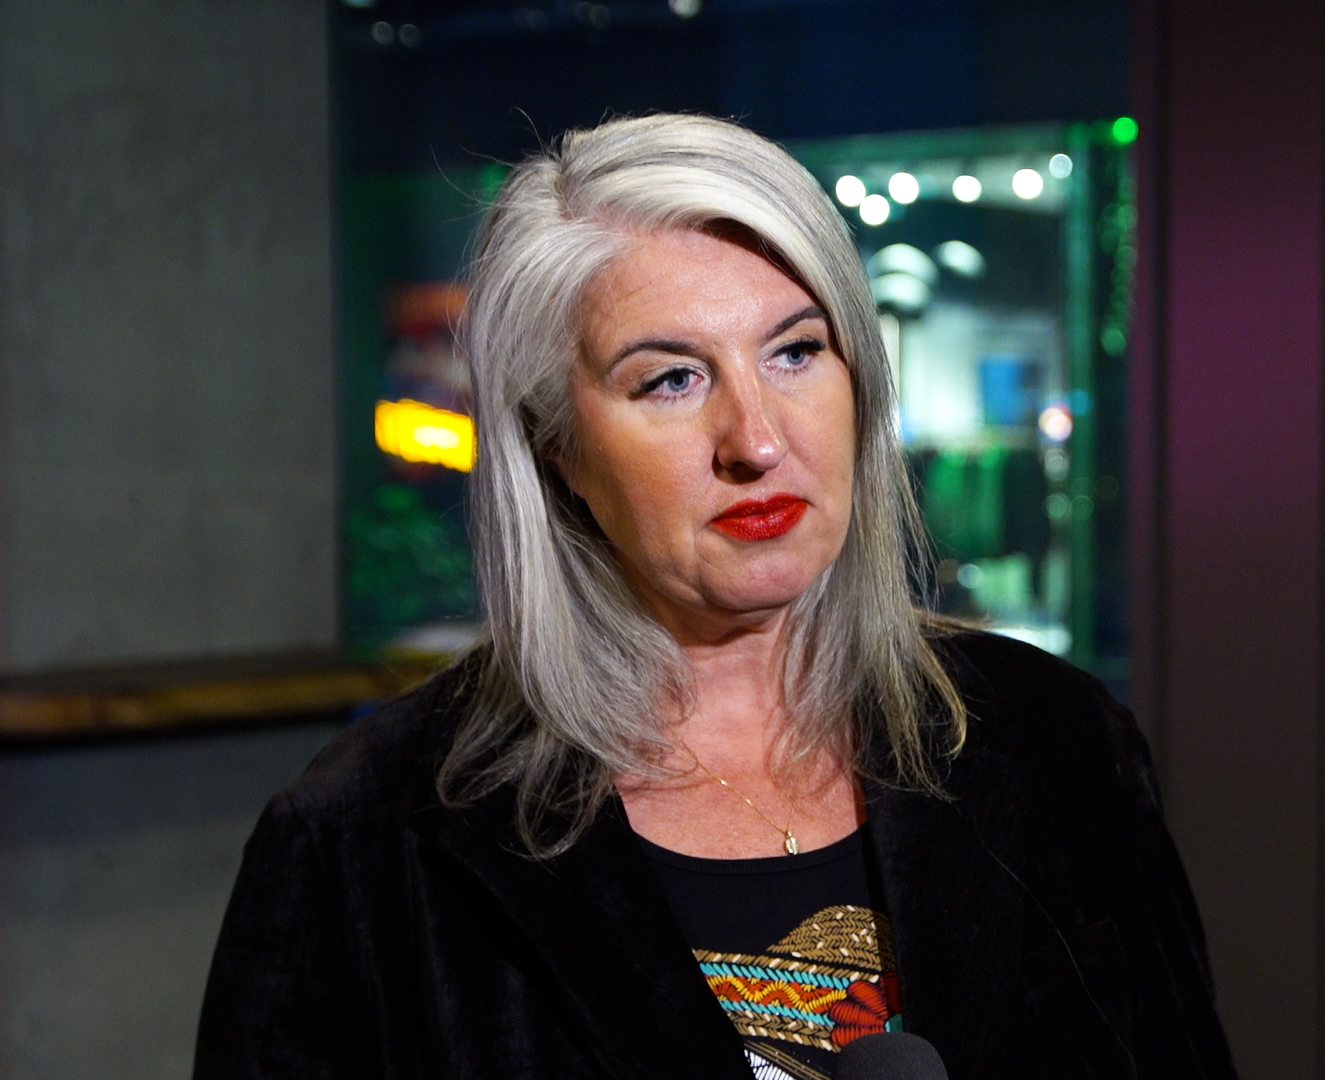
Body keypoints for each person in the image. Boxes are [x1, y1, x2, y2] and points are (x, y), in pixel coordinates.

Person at [194, 113, 1236, 1080]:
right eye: (671, 380)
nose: (758, 440)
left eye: (795, 352)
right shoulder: (364, 839)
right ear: (557, 445)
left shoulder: (1059, 743)